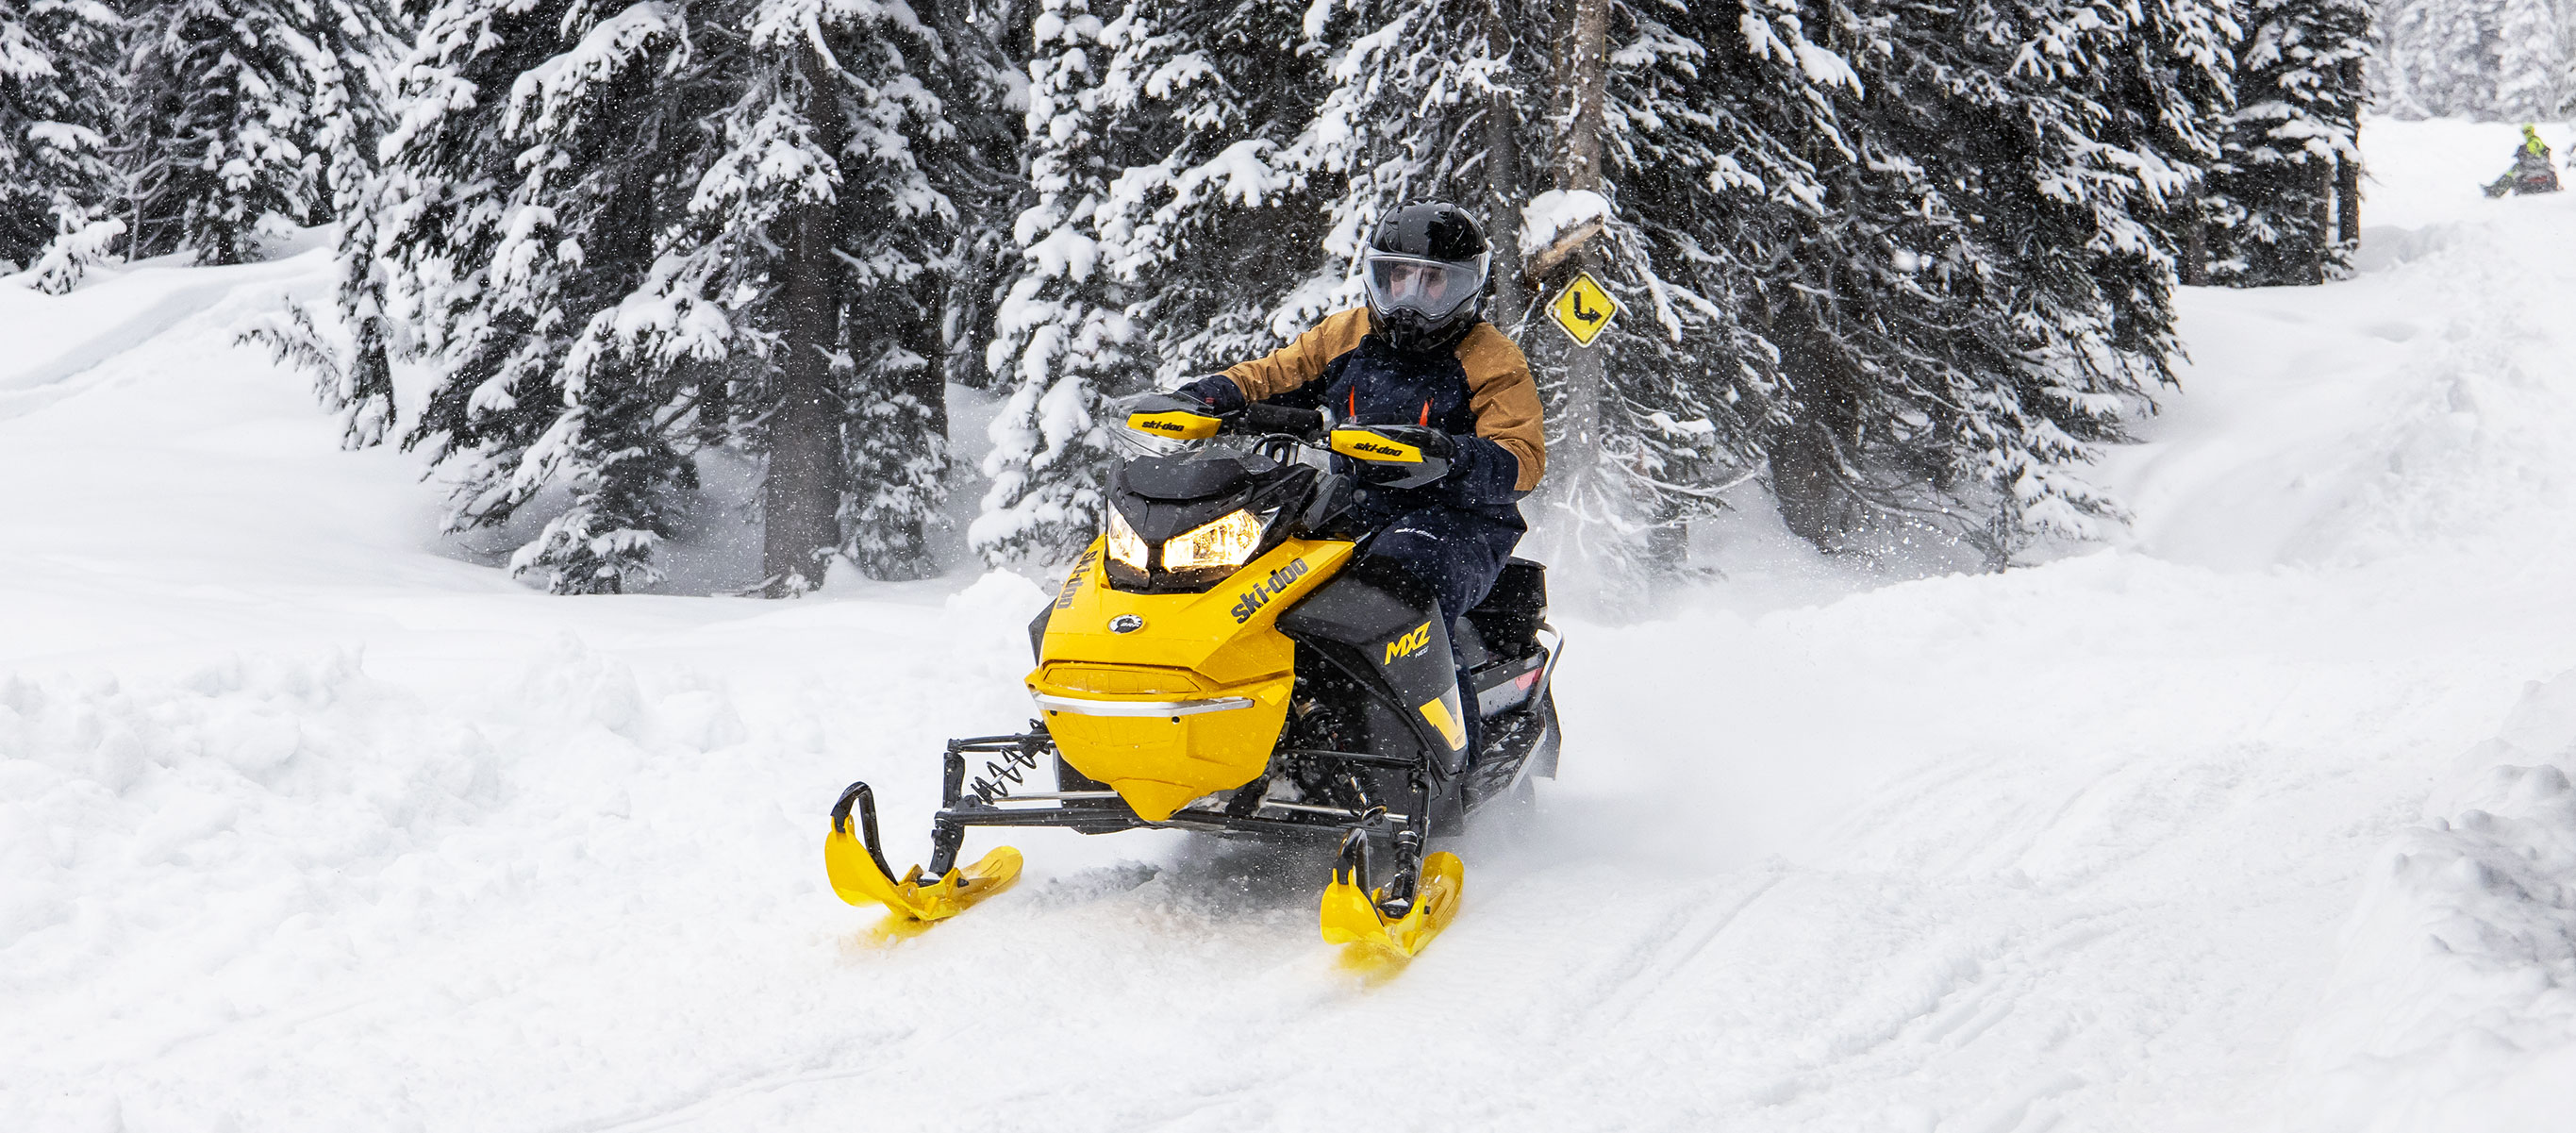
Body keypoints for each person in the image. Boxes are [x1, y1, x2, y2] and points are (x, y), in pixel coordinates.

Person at [1178, 202, 1545, 755]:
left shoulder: (1491, 358)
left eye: (1433, 282)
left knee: (1399, 591)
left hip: (1458, 521)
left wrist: (1451, 455)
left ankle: (1451, 765)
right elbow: (1277, 373)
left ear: (1466, 289)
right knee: (1251, 585)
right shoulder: (1345, 334)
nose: (1412, 298)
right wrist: (1219, 393)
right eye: (1400, 277)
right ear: (1379, 275)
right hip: (1353, 508)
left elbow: (1522, 457)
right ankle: (1251, 740)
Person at [2487, 125, 2562, 196]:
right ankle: (2496, 189)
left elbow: (2533, 150)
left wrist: (2525, 150)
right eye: (2524, 132)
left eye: (2527, 131)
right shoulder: (2532, 141)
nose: (2526, 134)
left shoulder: (2535, 141)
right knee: (2513, 171)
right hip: (2533, 165)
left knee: (2512, 173)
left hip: (2533, 166)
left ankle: (2496, 191)